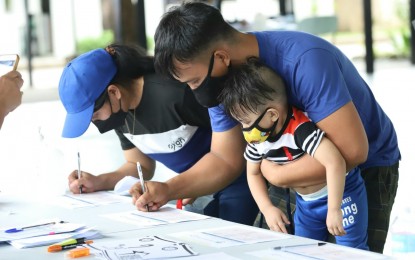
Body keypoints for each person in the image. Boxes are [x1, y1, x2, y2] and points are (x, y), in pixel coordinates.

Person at [150, 2, 400, 253]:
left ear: (221, 58)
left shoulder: (304, 61)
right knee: (285, 249)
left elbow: (352, 152)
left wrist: (277, 175)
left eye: (194, 81)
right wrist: (168, 189)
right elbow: (224, 158)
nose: (195, 90)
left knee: (349, 253)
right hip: (292, 165)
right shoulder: (221, 83)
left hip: (360, 169)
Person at [58, 44, 258, 225]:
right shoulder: (121, 112)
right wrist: (99, 181)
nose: (95, 123)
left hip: (241, 182)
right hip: (195, 188)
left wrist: (171, 188)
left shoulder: (176, 94)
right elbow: (139, 165)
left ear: (114, 92)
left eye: (94, 115)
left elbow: (231, 154)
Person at [220, 57, 368, 249]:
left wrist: (334, 208)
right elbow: (253, 173)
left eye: (247, 122)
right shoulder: (259, 140)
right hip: (306, 205)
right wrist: (267, 209)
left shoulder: (300, 130)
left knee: (352, 250)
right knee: (303, 251)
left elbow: (335, 162)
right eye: (240, 123)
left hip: (343, 195)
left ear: (272, 115)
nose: (244, 129)